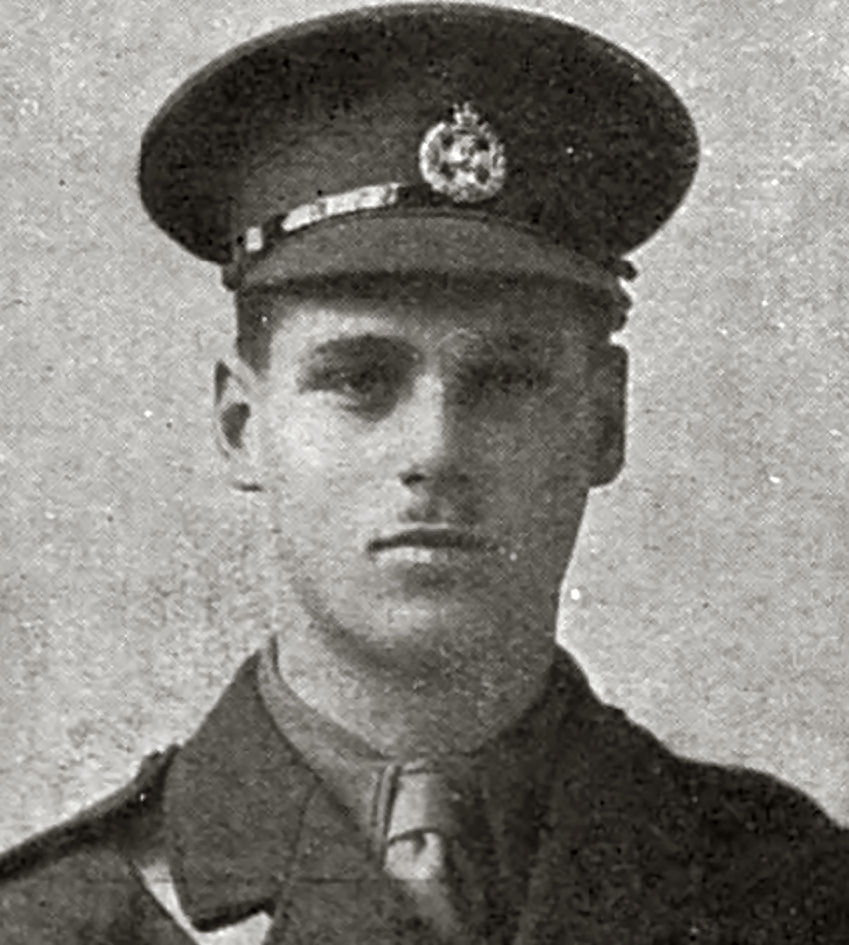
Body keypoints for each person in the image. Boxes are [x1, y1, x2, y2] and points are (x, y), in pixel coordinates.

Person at [1, 4, 847, 943]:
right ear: (241, 427)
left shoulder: (794, 891)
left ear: (605, 423)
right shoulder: (59, 920)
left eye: (506, 382)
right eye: (358, 380)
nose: (436, 449)